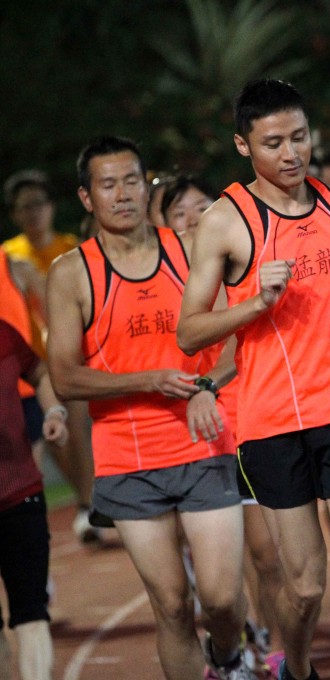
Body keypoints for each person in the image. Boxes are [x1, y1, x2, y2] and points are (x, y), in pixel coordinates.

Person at [177, 79, 330, 680]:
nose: (291, 153)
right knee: (304, 588)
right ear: (244, 145)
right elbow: (190, 332)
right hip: (274, 424)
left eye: (299, 137)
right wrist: (252, 303)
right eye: (274, 143)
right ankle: (295, 668)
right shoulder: (225, 221)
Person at [46, 136, 252, 679]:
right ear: (87, 198)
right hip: (129, 459)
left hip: (204, 442)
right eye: (107, 185)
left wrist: (205, 383)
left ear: (147, 185)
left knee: (223, 598)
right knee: (173, 605)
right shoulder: (72, 274)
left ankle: (230, 656)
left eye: (131, 181)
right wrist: (152, 380)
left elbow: (237, 336)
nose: (122, 195)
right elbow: (65, 377)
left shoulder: (189, 248)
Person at [160, 174, 286, 675]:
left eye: (201, 207)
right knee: (215, 581)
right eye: (179, 213)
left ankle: (275, 650)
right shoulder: (159, 281)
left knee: (268, 556)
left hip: (248, 419)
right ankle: (234, 642)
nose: (193, 219)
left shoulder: (236, 268)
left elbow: (245, 341)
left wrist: (210, 384)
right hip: (187, 437)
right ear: (161, 226)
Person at [3, 169, 98, 546]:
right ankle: (85, 502)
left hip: (68, 361)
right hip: (26, 370)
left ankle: (89, 505)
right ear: (14, 214)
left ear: (52, 207)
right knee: (55, 443)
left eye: (39, 204)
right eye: (24, 207)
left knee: (77, 430)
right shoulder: (11, 257)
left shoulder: (70, 248)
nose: (33, 213)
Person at [0, 315, 68, 680]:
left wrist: (54, 411)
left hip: (21, 493)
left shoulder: (4, 334)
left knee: (31, 612)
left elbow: (39, 373)